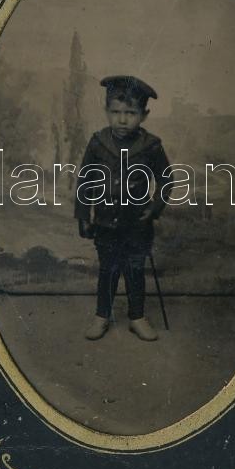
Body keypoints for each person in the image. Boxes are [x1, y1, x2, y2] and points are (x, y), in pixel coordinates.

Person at [74, 75, 170, 341]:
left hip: (138, 224)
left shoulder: (151, 146)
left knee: (135, 270)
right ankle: (101, 316)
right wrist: (83, 216)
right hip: (105, 222)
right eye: (116, 112)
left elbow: (166, 179)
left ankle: (137, 318)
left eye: (131, 113)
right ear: (106, 111)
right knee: (108, 270)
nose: (122, 120)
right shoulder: (98, 142)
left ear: (144, 115)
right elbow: (85, 180)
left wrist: (154, 208)